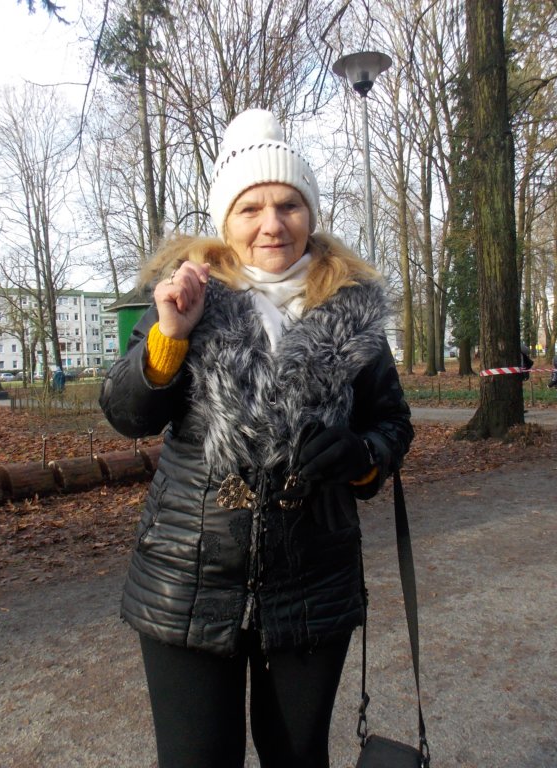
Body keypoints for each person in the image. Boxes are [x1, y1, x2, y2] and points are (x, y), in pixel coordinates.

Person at [99, 108, 414, 768]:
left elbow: (391, 423)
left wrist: (362, 457)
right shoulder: (189, 296)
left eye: (289, 205)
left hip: (313, 580)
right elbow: (128, 415)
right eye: (251, 208)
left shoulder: (353, 310)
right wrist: (169, 338)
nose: (273, 224)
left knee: (297, 758)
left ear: (310, 214)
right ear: (226, 220)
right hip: (187, 573)